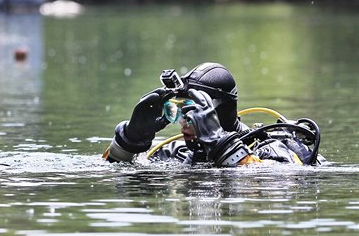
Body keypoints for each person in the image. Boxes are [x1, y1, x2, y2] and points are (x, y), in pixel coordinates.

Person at [103, 62, 322, 166]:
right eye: (178, 111)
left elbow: (276, 181)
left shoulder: (270, 149)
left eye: (193, 111)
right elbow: (108, 172)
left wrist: (219, 143)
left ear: (218, 111)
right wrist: (130, 140)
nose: (183, 123)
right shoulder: (176, 152)